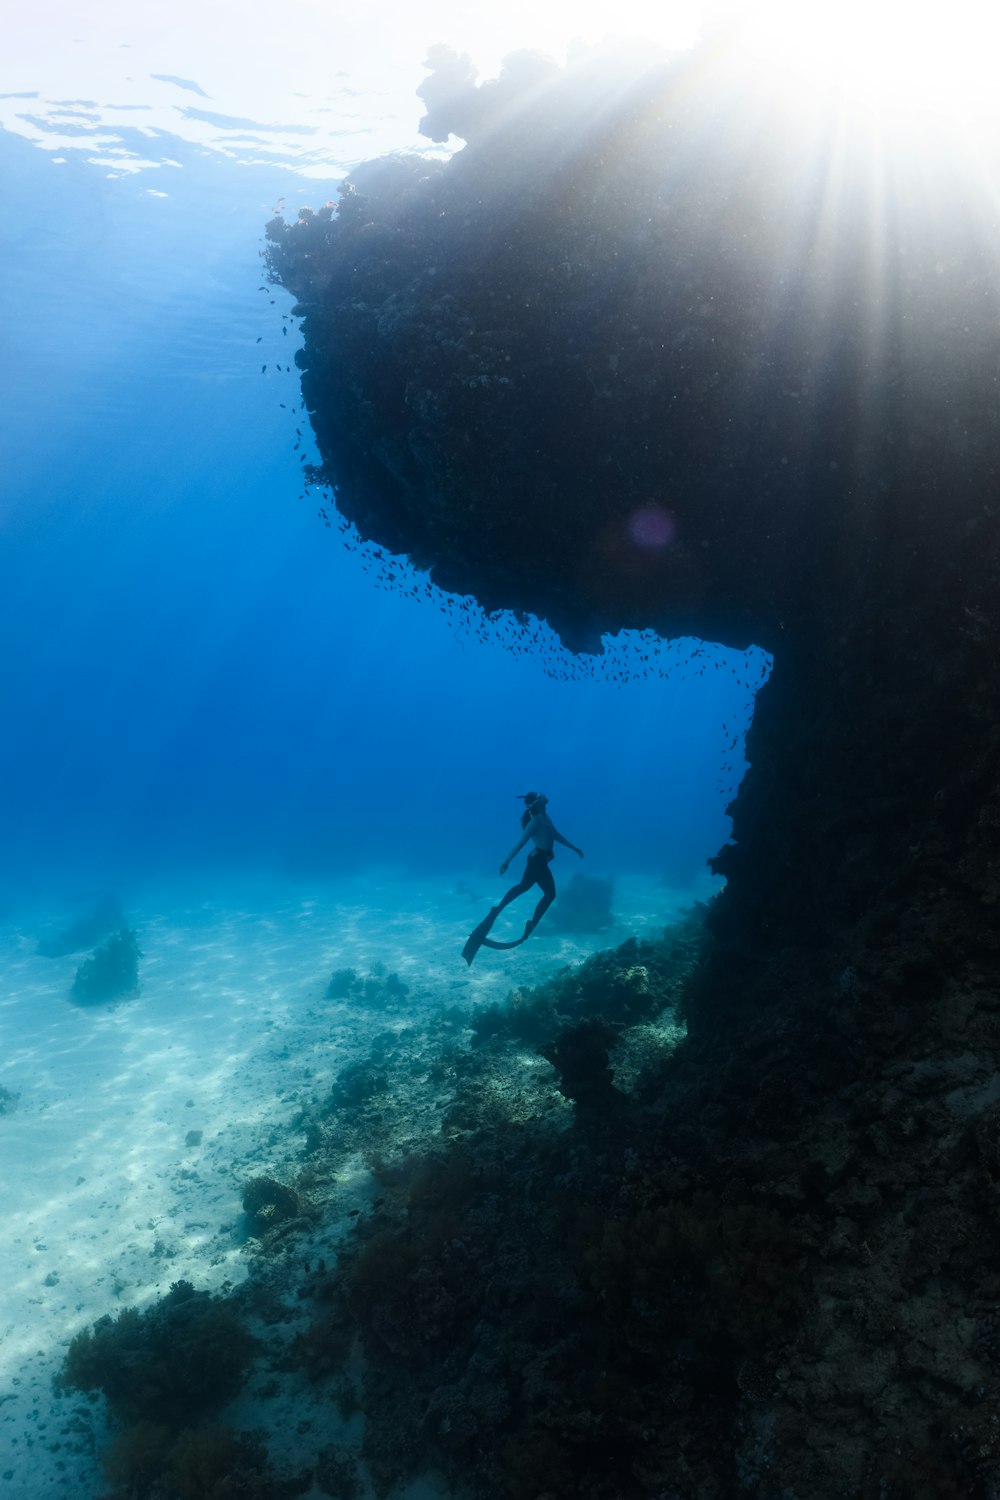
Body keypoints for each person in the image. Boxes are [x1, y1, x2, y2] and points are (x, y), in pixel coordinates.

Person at [462, 792, 584, 965]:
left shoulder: (545, 817)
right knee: (546, 893)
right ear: (537, 804)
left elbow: (555, 835)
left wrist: (573, 848)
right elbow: (520, 843)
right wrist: (507, 861)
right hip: (537, 862)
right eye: (541, 798)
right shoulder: (535, 822)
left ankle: (499, 910)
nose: (545, 799)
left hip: (539, 860)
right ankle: (526, 922)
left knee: (525, 887)